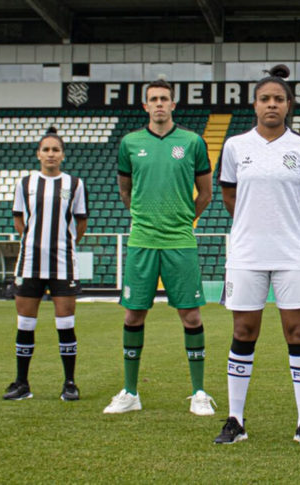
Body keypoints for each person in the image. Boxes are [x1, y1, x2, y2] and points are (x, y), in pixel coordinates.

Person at [213, 65, 300, 446]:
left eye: (278, 99)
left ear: (289, 104)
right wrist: (254, 224)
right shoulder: (235, 147)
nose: (272, 104)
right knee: (243, 332)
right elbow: (230, 195)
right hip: (246, 253)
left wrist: (282, 225)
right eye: (265, 99)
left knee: (298, 333)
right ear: (255, 105)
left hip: (292, 253)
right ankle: (235, 420)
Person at [103, 79, 215, 415]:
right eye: (153, 99)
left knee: (191, 316)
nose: (159, 104)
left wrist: (183, 219)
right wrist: (145, 218)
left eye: (164, 98)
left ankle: (198, 393)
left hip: (180, 240)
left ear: (173, 104)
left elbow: (206, 193)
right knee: (133, 313)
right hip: (142, 241)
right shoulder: (130, 143)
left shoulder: (192, 142)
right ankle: (130, 393)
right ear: (145, 106)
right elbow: (125, 191)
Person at [4, 127, 88, 401]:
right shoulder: (25, 183)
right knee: (25, 323)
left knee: (66, 323)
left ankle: (70, 383)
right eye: (46, 149)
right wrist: (33, 242)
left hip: (63, 263)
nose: (51, 154)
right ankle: (21, 383)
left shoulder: (74, 184)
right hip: (29, 263)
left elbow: (81, 222)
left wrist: (64, 244)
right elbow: (19, 219)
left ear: (63, 155)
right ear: (38, 154)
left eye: (56, 150)